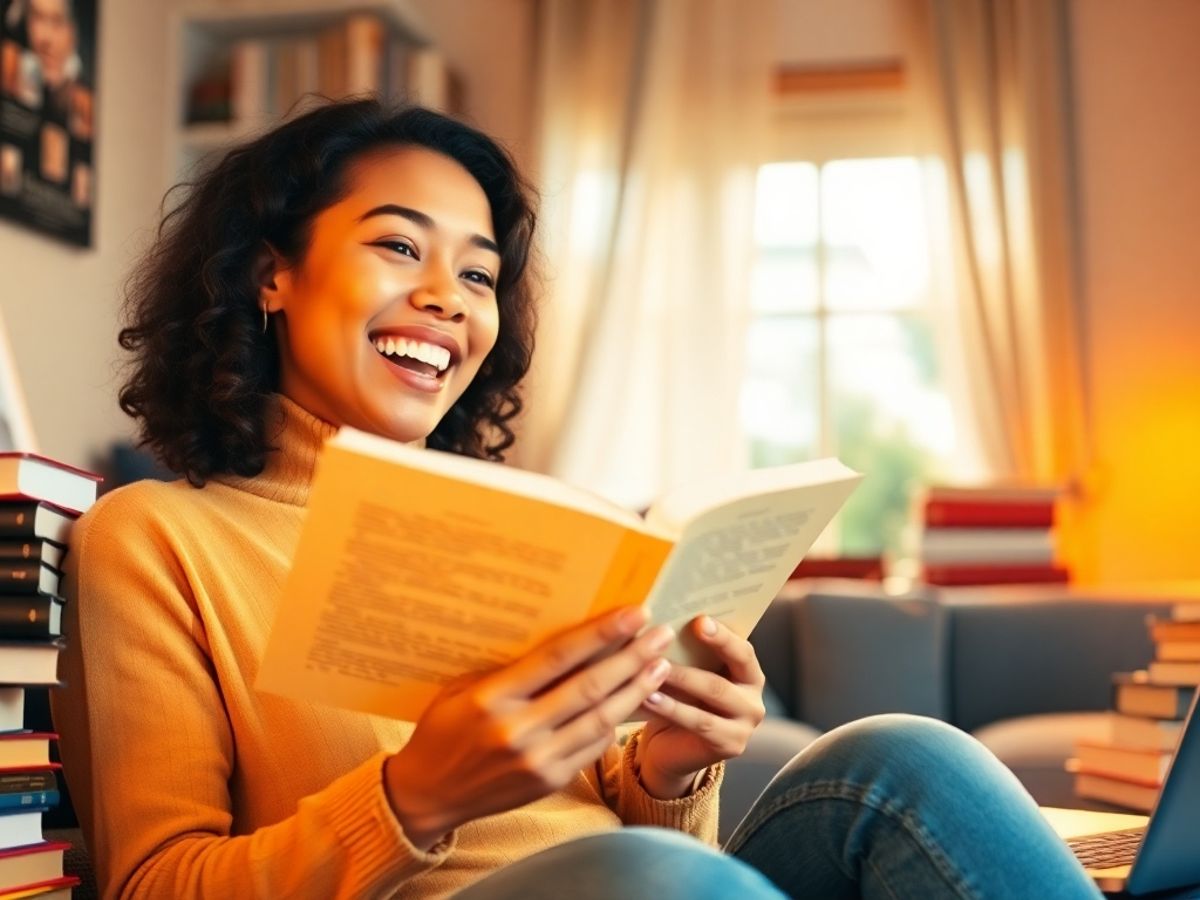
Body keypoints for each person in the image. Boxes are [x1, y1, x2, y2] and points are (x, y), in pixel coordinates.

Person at [51, 99, 1103, 899]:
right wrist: (417, 795)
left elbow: (644, 839)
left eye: (477, 276)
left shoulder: (515, 531)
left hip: (637, 882)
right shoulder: (154, 537)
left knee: (904, 759)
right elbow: (153, 884)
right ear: (270, 274)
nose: (445, 299)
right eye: (399, 246)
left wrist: (675, 768)